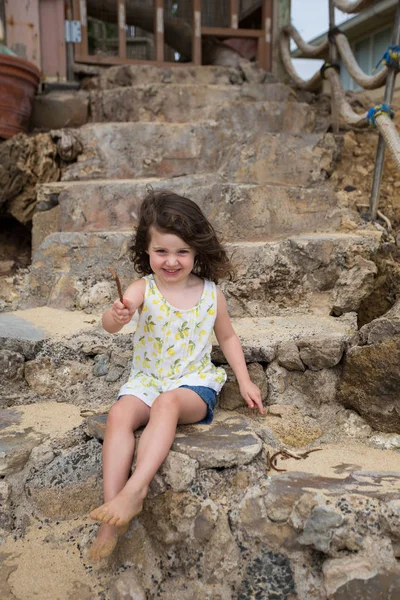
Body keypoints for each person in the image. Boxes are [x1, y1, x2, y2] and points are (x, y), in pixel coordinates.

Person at [88, 190, 264, 561]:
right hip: (147, 380)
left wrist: (245, 380)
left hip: (192, 385)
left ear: (197, 251)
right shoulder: (142, 289)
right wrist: (116, 316)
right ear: (146, 252)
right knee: (119, 414)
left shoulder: (211, 295)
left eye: (182, 252)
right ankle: (110, 516)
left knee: (167, 404)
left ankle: (136, 490)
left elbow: (228, 336)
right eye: (161, 251)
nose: (171, 261)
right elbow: (111, 322)